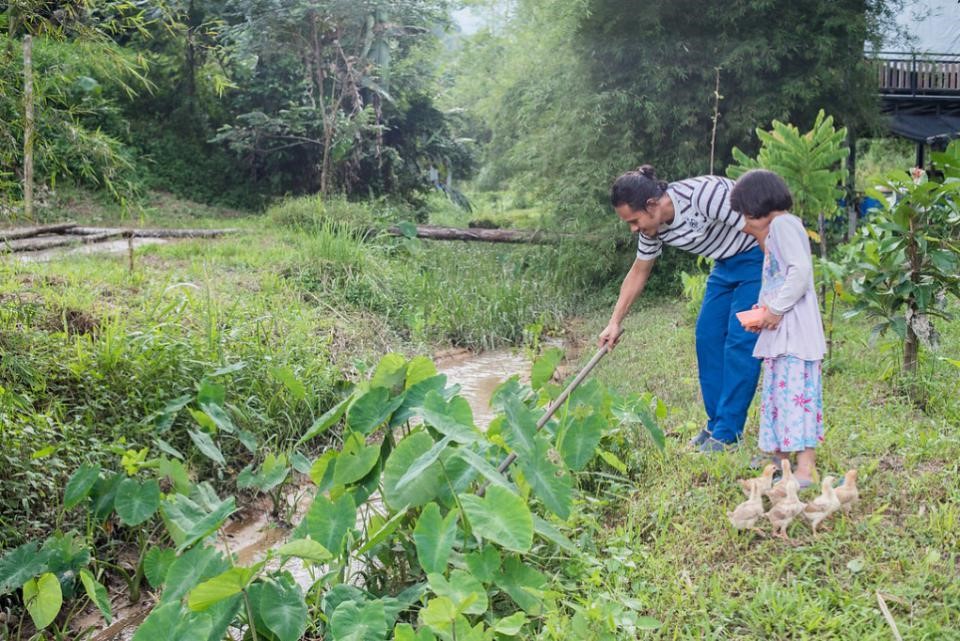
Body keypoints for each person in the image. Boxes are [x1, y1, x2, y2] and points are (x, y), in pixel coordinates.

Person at [600, 165, 764, 452]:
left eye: (634, 220)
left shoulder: (703, 195)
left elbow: (762, 228)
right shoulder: (653, 229)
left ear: (652, 204)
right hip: (724, 266)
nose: (633, 229)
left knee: (740, 341)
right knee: (707, 337)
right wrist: (614, 322)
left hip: (756, 258)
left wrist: (778, 279)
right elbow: (639, 271)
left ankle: (728, 433)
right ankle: (716, 423)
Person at [731, 169, 826, 486]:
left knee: (797, 400)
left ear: (758, 204)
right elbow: (778, 279)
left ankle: (805, 469)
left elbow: (800, 272)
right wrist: (763, 313)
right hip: (782, 334)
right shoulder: (776, 231)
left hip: (794, 335)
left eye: (746, 212)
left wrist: (774, 309)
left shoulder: (784, 225)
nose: (745, 220)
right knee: (780, 400)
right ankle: (781, 463)